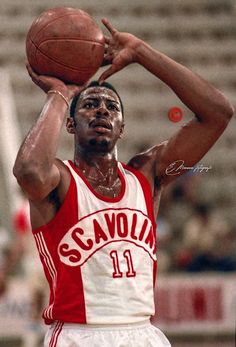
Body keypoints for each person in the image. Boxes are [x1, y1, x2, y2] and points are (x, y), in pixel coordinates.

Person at [13, 17, 233, 347]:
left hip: (143, 332)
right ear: (71, 124)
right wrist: (59, 95)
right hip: (80, 334)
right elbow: (28, 170)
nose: (101, 111)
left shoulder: (148, 174)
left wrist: (141, 52)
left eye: (111, 106)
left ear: (122, 127)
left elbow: (219, 113)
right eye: (89, 105)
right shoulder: (59, 179)